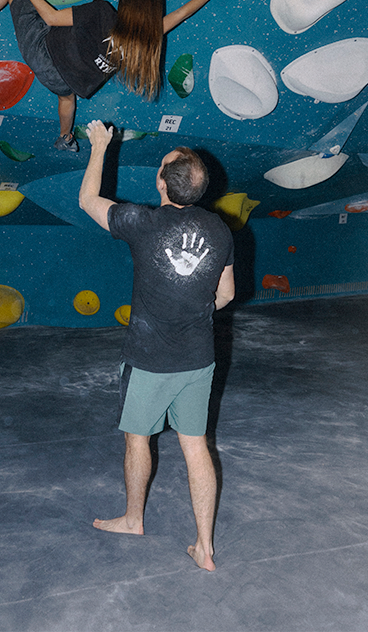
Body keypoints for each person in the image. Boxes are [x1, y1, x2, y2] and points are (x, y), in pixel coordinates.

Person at [79, 120, 235, 571]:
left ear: (162, 183)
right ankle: (204, 548)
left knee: (138, 440)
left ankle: (133, 519)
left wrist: (100, 147)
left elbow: (88, 200)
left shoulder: (143, 223)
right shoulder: (220, 231)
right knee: (196, 446)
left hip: (149, 362)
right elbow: (224, 296)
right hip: (198, 359)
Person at [0, 0, 225, 151]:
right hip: (68, 82)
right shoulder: (142, 42)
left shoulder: (103, 12)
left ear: (125, 1)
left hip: (42, 51)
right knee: (66, 98)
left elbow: (50, 17)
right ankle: (65, 139)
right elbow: (180, 15)